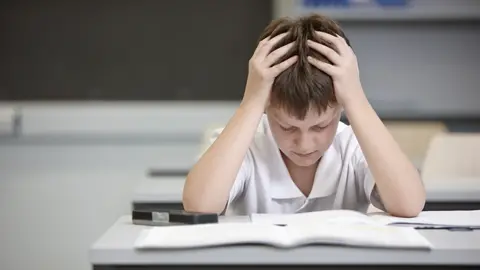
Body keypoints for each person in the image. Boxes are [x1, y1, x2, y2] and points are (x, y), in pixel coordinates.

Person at [182, 14, 425, 217]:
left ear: (340, 108)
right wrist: (251, 102)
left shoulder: (353, 145)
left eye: (320, 127)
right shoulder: (246, 143)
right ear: (266, 108)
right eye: (287, 127)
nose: (305, 144)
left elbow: (409, 204)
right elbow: (199, 207)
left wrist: (356, 99)